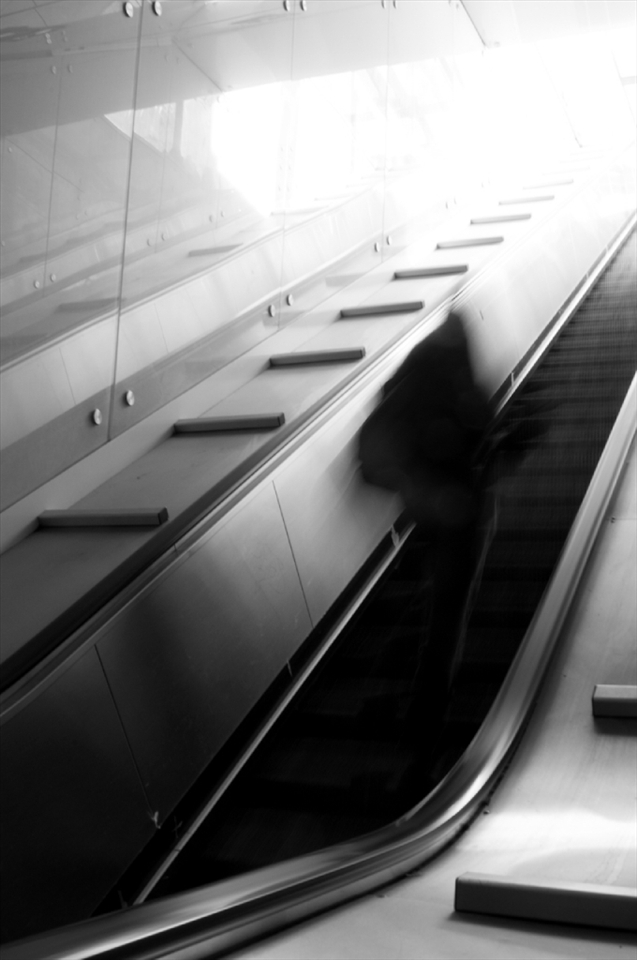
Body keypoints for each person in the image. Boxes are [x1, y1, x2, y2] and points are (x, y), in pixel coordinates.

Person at [358, 305, 496, 734]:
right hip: (456, 507)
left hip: (424, 504)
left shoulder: (410, 374)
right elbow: (477, 430)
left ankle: (406, 681)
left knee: (436, 593)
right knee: (449, 604)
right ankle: (428, 705)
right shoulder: (454, 373)